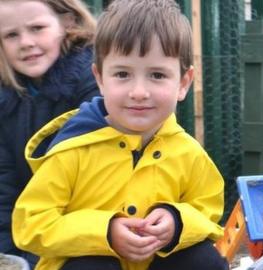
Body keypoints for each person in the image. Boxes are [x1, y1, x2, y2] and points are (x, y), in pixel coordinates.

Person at [11, 0, 228, 269]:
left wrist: (177, 221)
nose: (139, 91)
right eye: (123, 74)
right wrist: (104, 231)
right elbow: (31, 223)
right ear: (100, 78)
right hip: (88, 262)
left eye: (157, 75)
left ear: (183, 83)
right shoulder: (72, 149)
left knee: (204, 259)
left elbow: (208, 209)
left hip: (153, 261)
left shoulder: (188, 152)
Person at [0, 0, 98, 268]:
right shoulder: (6, 98)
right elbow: (4, 187)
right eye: (11, 34)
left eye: (37, 28)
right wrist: (12, 256)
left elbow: (92, 187)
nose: (26, 42)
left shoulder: (94, 85)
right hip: (32, 236)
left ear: (67, 22)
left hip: (93, 236)